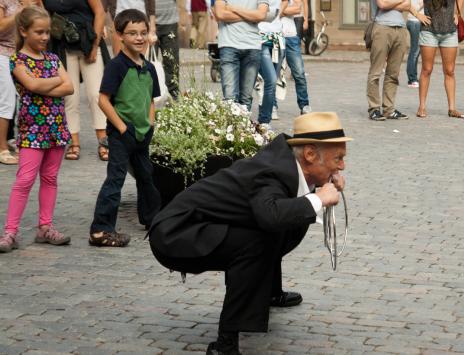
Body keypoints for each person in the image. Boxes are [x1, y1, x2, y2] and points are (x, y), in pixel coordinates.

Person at [147, 112, 350, 355]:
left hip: (199, 224)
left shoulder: (289, 163)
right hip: (176, 233)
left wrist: (320, 182)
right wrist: (318, 197)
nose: (342, 166)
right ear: (308, 154)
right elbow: (270, 216)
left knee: (292, 216)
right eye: (337, 158)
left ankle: (270, 293)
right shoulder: (273, 172)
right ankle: (225, 346)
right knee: (256, 242)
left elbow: (280, 213)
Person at [0, 6, 74, 253]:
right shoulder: (17, 60)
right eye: (39, 32)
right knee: (24, 180)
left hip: (56, 128)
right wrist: (53, 82)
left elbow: (70, 87)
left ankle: (45, 226)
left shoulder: (53, 59)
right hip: (32, 130)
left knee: (50, 178)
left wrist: (43, 86)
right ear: (23, 31)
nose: (44, 37)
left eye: (46, 32)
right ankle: (10, 232)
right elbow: (30, 84)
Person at [89, 9, 161, 247]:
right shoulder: (117, 66)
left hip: (142, 134)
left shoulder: (149, 68)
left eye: (143, 33)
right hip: (122, 135)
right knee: (115, 179)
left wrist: (150, 123)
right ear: (119, 35)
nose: (139, 38)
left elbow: (151, 99)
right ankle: (100, 229)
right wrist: (121, 128)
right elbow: (103, 99)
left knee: (146, 177)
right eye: (132, 33)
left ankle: (153, 219)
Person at [43, 0, 110, 161]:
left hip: (89, 42)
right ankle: (74, 143)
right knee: (69, 97)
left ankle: (103, 141)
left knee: (96, 94)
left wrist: (94, 46)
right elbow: (43, 15)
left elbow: (100, 13)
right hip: (62, 46)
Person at [367, 0, 428, 121]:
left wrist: (395, 4)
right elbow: (382, 4)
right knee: (376, 72)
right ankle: (374, 109)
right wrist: (401, 2)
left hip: (400, 29)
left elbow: (408, 4)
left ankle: (388, 109)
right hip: (382, 27)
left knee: (393, 73)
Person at [213, 0, 268, 110]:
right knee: (229, 98)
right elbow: (220, 14)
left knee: (246, 99)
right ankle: (232, 127)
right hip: (229, 45)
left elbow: (261, 15)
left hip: (252, 46)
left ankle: (243, 126)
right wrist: (251, 15)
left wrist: (234, 9)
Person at [416, 0, 462, 118]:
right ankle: (421, 107)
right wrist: (417, 14)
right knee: (427, 69)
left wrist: (457, 13)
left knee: (450, 71)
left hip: (450, 31)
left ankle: (452, 108)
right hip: (429, 30)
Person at [0, 0, 30, 165]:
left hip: (21, 54)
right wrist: (22, 10)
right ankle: (2, 148)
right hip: (2, 53)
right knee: (7, 101)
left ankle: (17, 139)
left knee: (24, 100)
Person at [280, 0, 312, 115]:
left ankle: (304, 105)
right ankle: (272, 106)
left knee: (299, 73)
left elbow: (297, 8)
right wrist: (284, 11)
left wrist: (278, 12)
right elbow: (267, 12)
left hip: (291, 37)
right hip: (274, 38)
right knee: (274, 75)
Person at [257, 0, 285, 129]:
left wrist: (278, 14)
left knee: (272, 81)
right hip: (260, 37)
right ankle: (264, 120)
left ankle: (265, 120)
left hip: (278, 38)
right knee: (270, 79)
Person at [155, 0, 180, 99]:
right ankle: (147, 97)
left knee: (172, 62)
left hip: (170, 21)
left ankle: (174, 97)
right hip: (146, 20)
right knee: (146, 62)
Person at [406, 0, 423, 88]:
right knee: (415, 50)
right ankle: (412, 79)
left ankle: (413, 77)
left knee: (416, 50)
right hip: (414, 21)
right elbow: (411, 7)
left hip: (418, 22)